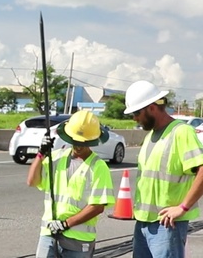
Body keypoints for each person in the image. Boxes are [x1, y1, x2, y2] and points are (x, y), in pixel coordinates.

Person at [124, 80, 203, 257]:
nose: (134, 118)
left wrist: (183, 207)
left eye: (136, 112)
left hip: (167, 225)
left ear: (152, 107)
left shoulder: (181, 132)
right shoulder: (150, 137)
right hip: (143, 223)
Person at [27, 110, 115, 258]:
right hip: (49, 234)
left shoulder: (98, 167)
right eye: (75, 141)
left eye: (83, 142)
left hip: (78, 240)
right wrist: (41, 154)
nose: (78, 146)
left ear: (92, 140)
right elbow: (32, 181)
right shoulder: (56, 158)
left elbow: (97, 207)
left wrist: (66, 224)